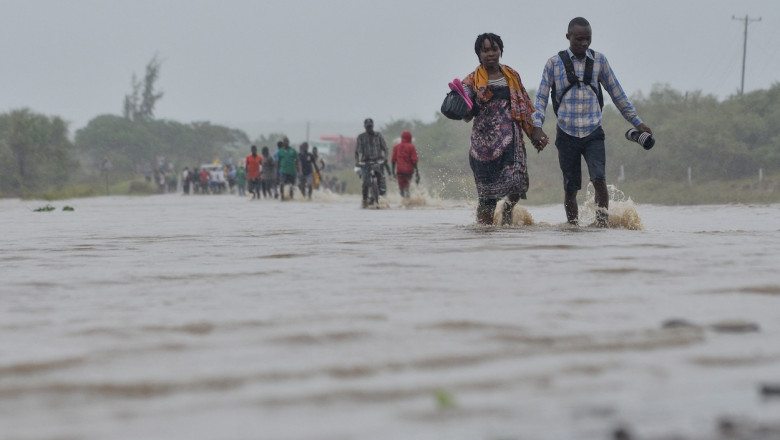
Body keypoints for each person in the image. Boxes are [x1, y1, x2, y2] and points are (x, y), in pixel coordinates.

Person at [531, 17, 652, 227]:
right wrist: (537, 126)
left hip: (593, 132)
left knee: (599, 180)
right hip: (566, 133)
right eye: (579, 39)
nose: (584, 44)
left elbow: (617, 94)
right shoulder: (553, 63)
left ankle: (602, 227)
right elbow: (541, 98)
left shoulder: (599, 61)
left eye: (588, 39)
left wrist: (638, 123)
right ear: (568, 37)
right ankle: (573, 227)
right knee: (571, 187)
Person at [461, 33, 536, 225]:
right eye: (485, 50)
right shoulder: (471, 81)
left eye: (494, 49)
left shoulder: (511, 75)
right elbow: (466, 116)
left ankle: (507, 213)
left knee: (518, 186)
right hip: (483, 147)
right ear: (478, 53)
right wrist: (469, 104)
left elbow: (525, 104)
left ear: (500, 50)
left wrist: (535, 131)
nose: (490, 54)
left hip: (512, 142)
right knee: (487, 197)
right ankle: (484, 233)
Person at [355, 118, 388, 208]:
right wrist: (357, 162)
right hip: (365, 162)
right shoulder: (361, 137)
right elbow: (357, 152)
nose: (369, 128)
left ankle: (381, 194)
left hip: (378, 161)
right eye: (367, 126)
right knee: (365, 183)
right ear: (365, 127)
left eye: (370, 126)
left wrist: (385, 158)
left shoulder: (378, 135)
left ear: (373, 126)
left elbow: (385, 148)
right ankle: (365, 200)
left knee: (381, 179)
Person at [391, 130, 419, 198]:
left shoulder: (396, 147)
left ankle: (403, 200)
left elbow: (393, 160)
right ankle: (408, 201)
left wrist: (393, 171)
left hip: (399, 171)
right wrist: (417, 172)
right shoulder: (412, 147)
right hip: (409, 171)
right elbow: (414, 160)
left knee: (401, 188)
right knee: (407, 187)